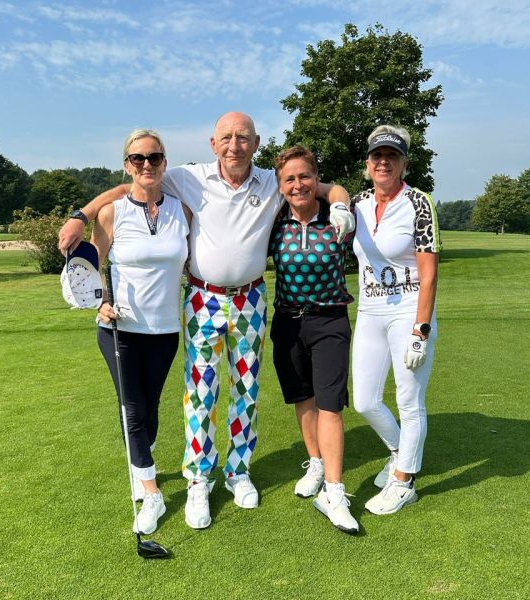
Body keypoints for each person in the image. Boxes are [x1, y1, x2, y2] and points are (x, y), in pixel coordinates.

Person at [58, 112, 355, 529]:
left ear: (256, 144)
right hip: (202, 298)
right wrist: (81, 214)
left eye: (243, 137)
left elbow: (325, 187)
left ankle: (238, 471)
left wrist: (340, 203)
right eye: (226, 138)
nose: (235, 145)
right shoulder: (189, 177)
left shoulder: (271, 181)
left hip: (250, 298)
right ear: (213, 144)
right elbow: (132, 186)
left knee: (246, 390)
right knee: (201, 392)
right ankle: (199, 478)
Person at [92, 129, 190, 535]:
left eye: (154, 157)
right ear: (127, 165)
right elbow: (89, 267)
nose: (146, 164)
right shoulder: (112, 213)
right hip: (121, 329)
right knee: (132, 408)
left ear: (164, 163)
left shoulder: (182, 211)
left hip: (165, 330)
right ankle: (151, 492)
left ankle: (140, 464)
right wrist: (99, 302)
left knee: (149, 409)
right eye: (138, 158)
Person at [351, 125, 440, 515]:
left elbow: (429, 274)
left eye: (392, 156)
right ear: (368, 163)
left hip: (408, 311)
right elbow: (324, 191)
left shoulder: (418, 202)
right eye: (377, 156)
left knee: (409, 400)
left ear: (404, 163)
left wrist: (422, 329)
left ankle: (404, 482)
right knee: (364, 401)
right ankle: (398, 452)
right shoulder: (357, 202)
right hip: (370, 311)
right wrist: (337, 206)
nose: (383, 162)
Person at [269, 145, 358, 534]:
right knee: (302, 398)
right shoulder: (275, 219)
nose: (298, 184)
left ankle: (334, 492)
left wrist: (338, 200)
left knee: (330, 405)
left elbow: (337, 191)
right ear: (280, 185)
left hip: (329, 321)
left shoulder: (337, 217)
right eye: (289, 179)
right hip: (288, 323)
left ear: (316, 178)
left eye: (305, 176)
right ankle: (316, 464)